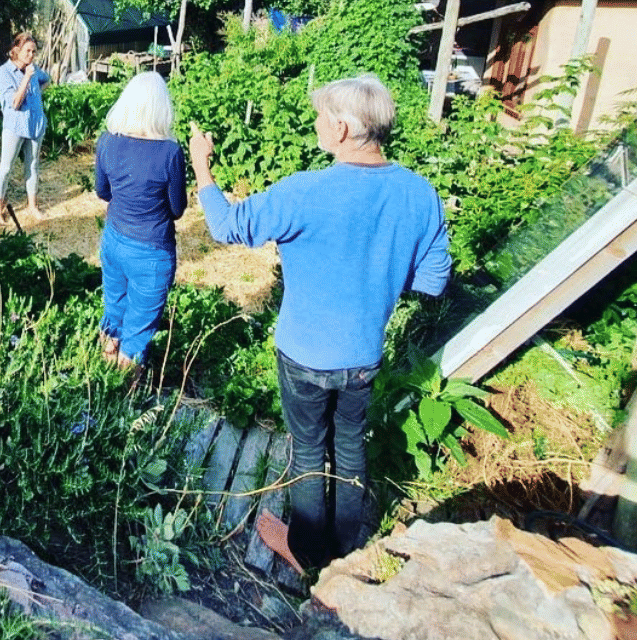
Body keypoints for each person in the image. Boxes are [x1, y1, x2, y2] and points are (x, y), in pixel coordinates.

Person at [189, 74, 452, 573]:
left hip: (304, 354)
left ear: (343, 127)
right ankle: (349, 551)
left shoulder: (307, 191)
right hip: (363, 356)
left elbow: (226, 226)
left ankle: (308, 553)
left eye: (321, 116)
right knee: (350, 444)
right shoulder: (420, 194)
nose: (315, 123)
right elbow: (433, 281)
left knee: (309, 449)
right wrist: (382, 263)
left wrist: (202, 167)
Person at [95, 72, 186, 369]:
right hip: (151, 250)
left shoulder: (107, 141)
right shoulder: (170, 152)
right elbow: (177, 209)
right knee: (136, 335)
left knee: (113, 314)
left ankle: (100, 383)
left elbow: (102, 191)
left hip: (114, 239)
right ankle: (125, 404)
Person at [0, 32, 51, 226]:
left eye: (34, 51)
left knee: (33, 166)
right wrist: (26, 79)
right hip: (15, 126)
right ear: (15, 51)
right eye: (27, 51)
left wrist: (37, 92)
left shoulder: (33, 69)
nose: (31, 55)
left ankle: (32, 206)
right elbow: (15, 103)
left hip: (35, 124)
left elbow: (47, 79)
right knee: (6, 168)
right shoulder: (4, 73)